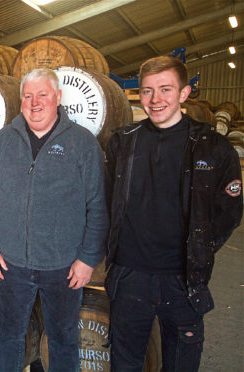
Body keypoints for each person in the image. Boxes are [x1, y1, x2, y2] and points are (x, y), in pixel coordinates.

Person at [104, 56, 243, 371]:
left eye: (165, 89)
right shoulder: (123, 142)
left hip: (184, 280)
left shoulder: (214, 147)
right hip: (129, 277)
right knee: (124, 363)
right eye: (148, 91)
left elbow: (229, 212)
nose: (155, 100)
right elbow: (107, 201)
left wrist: (199, 247)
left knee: (181, 362)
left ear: (184, 93)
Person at [0, 67, 108, 372]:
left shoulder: (83, 143)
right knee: (9, 337)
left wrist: (87, 259)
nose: (35, 103)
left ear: (58, 98)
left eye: (42, 95)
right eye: (27, 96)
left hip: (63, 266)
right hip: (10, 264)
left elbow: (97, 206)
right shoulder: (2, 141)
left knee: (63, 340)